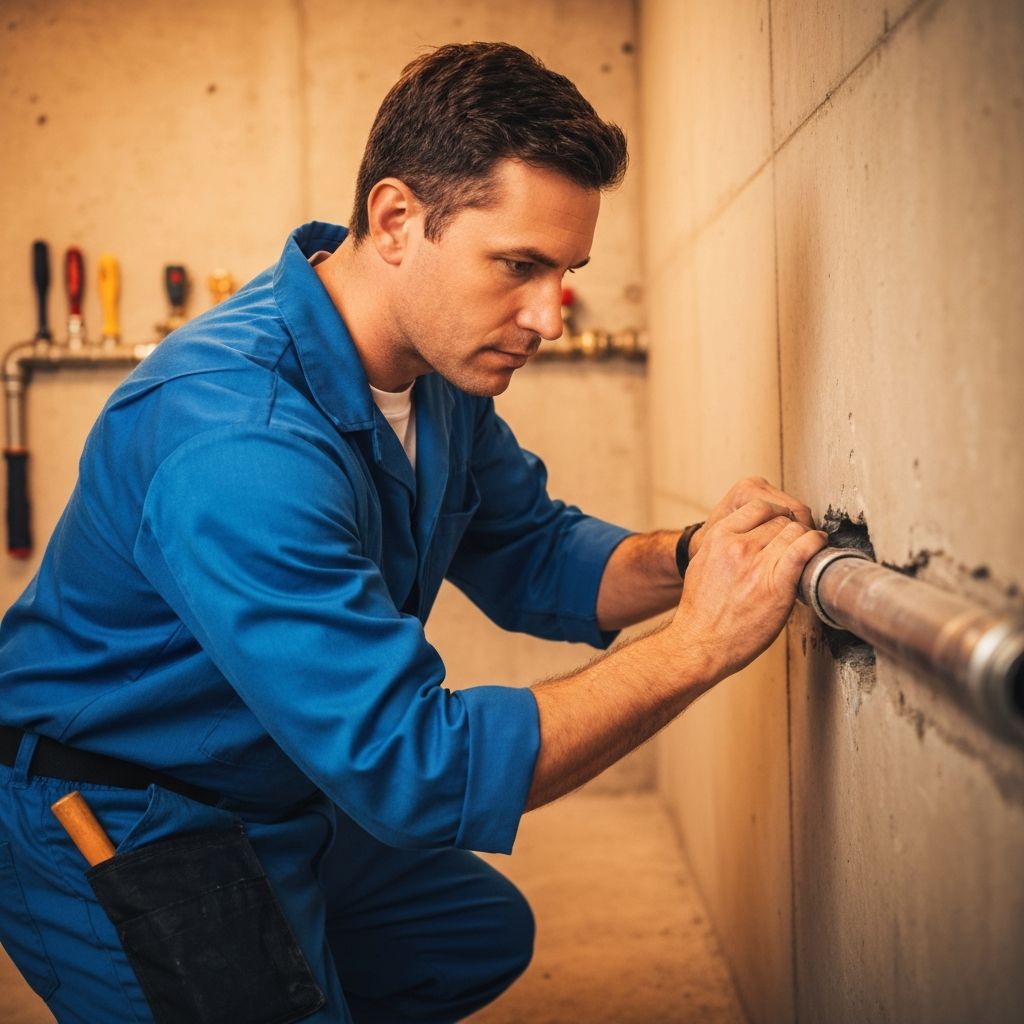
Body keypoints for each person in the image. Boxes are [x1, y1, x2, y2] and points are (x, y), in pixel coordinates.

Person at [0, 41, 827, 1024]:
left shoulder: (434, 377)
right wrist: (698, 645)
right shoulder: (237, 444)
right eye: (517, 265)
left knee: (466, 935)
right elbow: (416, 769)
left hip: (277, 779)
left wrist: (692, 558)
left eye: (564, 272)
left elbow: (532, 547)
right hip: (122, 810)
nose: (547, 315)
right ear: (396, 220)